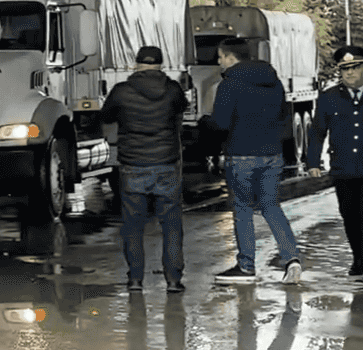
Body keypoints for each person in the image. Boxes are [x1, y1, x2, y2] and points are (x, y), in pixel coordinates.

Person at [206, 37, 302, 285]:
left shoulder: (229, 84)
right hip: (272, 153)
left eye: (220, 56)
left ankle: (246, 266)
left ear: (230, 57)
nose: (219, 62)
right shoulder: (274, 81)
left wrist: (204, 124)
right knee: (271, 206)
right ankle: (291, 258)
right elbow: (284, 118)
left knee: (243, 209)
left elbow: (221, 123)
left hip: (241, 153)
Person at [100, 45, 188, 293]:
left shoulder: (121, 92)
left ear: (136, 64)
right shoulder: (172, 90)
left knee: (133, 226)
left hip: (133, 166)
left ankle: (135, 280)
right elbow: (182, 111)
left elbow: (106, 117)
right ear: (160, 65)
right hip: (166, 165)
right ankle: (173, 280)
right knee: (171, 225)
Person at [306, 45, 363, 284]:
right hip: (342, 166)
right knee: (349, 215)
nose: (349, 74)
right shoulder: (329, 97)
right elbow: (317, 132)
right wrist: (313, 161)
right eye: (345, 69)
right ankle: (358, 258)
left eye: (355, 68)